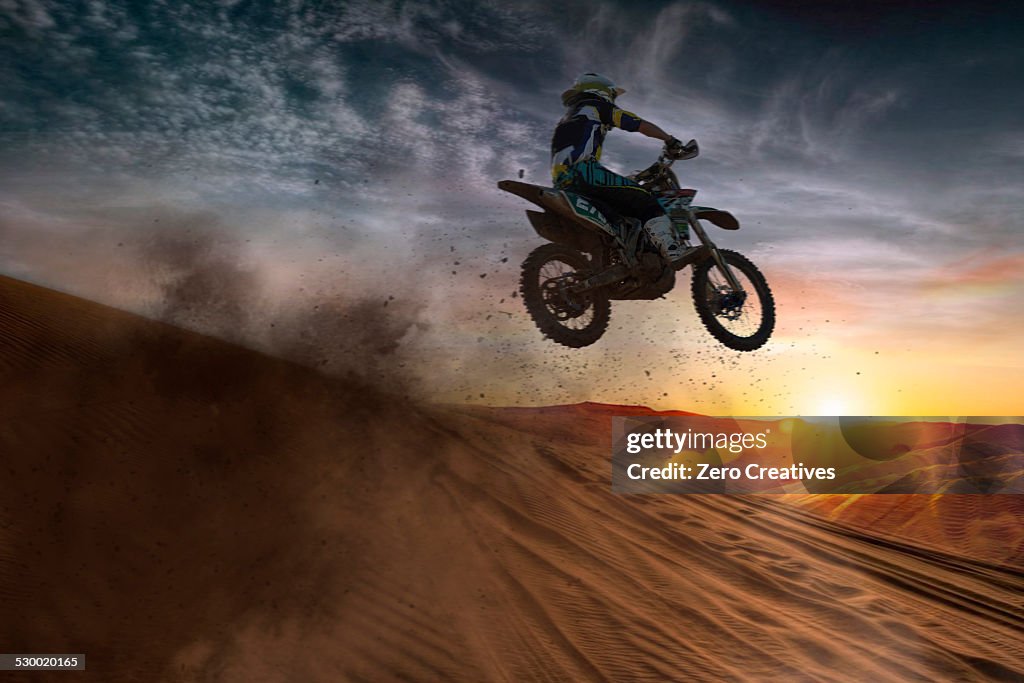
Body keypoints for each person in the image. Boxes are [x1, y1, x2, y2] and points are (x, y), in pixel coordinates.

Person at [551, 72, 691, 261]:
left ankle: (620, 259)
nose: (614, 99)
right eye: (613, 95)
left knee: (619, 213)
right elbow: (637, 124)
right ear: (602, 92)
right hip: (585, 172)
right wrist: (670, 140)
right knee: (644, 198)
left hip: (563, 182)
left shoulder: (568, 117)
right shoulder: (597, 106)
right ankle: (673, 250)